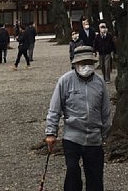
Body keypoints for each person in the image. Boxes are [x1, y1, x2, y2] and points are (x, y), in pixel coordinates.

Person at [45, 46, 111, 191]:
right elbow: (55, 108)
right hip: (72, 136)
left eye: (89, 63)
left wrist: (105, 133)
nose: (86, 67)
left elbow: (106, 110)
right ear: (75, 64)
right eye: (82, 63)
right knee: (72, 171)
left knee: (95, 178)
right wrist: (51, 132)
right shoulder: (65, 81)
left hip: (94, 137)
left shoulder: (99, 82)